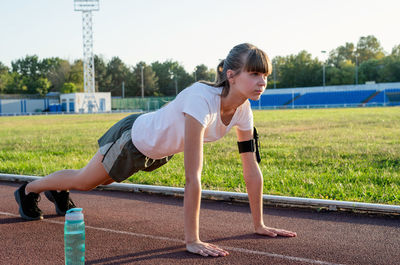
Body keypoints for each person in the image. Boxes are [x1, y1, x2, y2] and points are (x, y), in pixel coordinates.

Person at [14, 43, 297, 257]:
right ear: (232, 75)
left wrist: (259, 223)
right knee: (86, 181)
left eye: (266, 75)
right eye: (255, 73)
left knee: (94, 180)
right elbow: (192, 176)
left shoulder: (244, 110)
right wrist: (192, 240)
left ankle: (57, 190)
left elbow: (251, 168)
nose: (263, 82)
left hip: (156, 153)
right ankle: (29, 189)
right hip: (132, 140)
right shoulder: (202, 99)